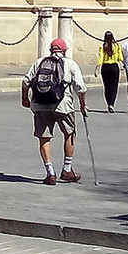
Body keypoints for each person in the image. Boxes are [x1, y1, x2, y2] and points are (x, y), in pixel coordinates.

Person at [20, 39, 87, 183]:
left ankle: (50, 173)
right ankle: (67, 170)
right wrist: (82, 105)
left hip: (40, 105)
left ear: (51, 50)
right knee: (69, 134)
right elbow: (80, 88)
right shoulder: (70, 64)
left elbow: (25, 81)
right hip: (63, 105)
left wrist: (24, 98)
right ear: (64, 50)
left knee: (44, 138)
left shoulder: (39, 63)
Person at [96, 32, 123, 112]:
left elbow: (100, 58)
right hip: (114, 66)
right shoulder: (117, 46)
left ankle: (108, 103)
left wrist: (97, 68)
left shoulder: (102, 46)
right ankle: (112, 103)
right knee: (114, 86)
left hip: (105, 67)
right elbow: (120, 58)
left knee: (106, 86)